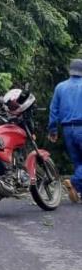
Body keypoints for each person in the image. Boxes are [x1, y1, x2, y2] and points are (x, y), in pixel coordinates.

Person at [48, 58, 82, 203]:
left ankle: (78, 191)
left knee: (78, 162)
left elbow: (53, 110)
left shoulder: (60, 87)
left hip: (67, 129)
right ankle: (74, 182)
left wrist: (53, 130)